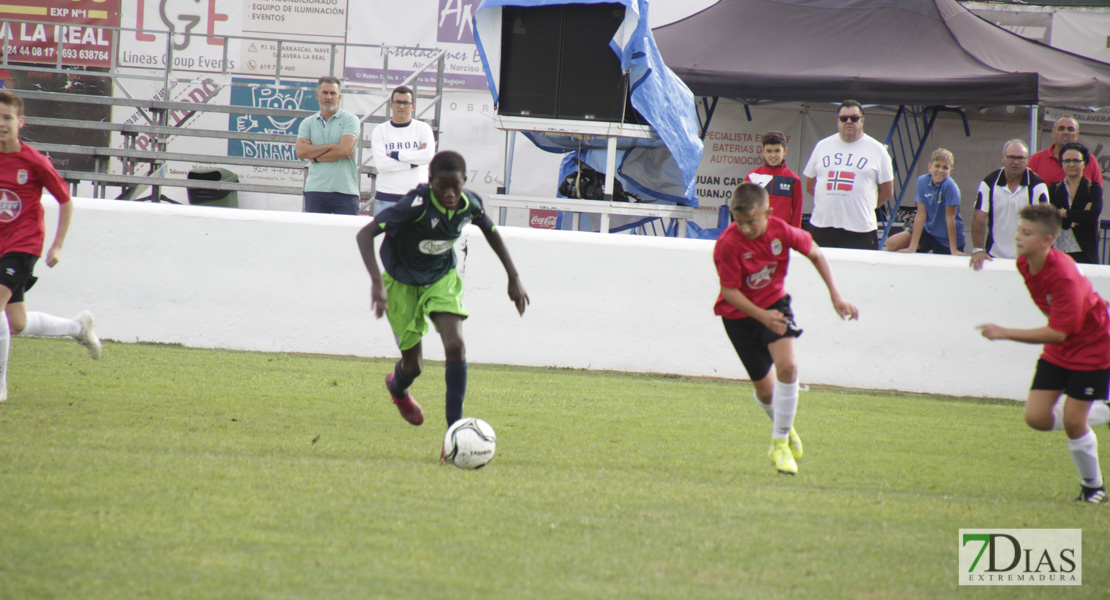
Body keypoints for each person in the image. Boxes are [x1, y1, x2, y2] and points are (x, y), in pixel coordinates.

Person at [355, 150, 528, 440]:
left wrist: (514, 277)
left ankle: (454, 434)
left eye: (455, 186)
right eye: (442, 187)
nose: (449, 194)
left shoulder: (470, 204)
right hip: (401, 282)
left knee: (456, 345)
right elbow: (364, 235)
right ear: (430, 181)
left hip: (441, 278)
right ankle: (398, 389)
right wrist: (377, 282)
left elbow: (491, 231)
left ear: (464, 181)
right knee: (414, 367)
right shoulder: (415, 205)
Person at [713, 181, 859, 475]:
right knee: (766, 394)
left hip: (775, 306)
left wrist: (836, 295)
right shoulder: (727, 244)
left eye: (751, 222)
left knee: (788, 367)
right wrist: (761, 317)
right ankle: (785, 426)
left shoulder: (782, 232)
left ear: (768, 211)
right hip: (738, 316)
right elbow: (729, 293)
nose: (744, 229)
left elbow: (815, 253)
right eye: (739, 222)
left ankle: (778, 443)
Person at [977, 204, 1110, 504]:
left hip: (1092, 347)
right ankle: (1103, 411)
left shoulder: (1062, 274)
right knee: (1036, 417)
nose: (1018, 238)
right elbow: (1060, 324)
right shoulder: (1024, 264)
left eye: (1027, 233)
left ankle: (1094, 488)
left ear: (1047, 240)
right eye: (1019, 230)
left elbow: (1059, 331)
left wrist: (1004, 332)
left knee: (1075, 423)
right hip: (1061, 348)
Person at [0, 91, 101, 402]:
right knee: (16, 323)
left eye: (7, 117)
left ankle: (0, 386)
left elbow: (66, 202)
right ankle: (77, 327)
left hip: (23, 245)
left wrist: (56, 246)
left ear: (21, 121)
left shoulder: (33, 162)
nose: (1, 124)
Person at [802, 100, 894, 250]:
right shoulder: (822, 146)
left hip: (860, 229)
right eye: (843, 119)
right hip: (822, 226)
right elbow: (810, 184)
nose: (849, 122)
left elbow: (887, 192)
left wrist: (862, 206)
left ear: (862, 121)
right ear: (838, 121)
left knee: (858, 273)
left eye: (854, 118)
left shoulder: (878, 150)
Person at [969, 140, 1050, 270]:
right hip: (993, 257)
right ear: (1003, 158)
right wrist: (978, 250)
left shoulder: (1038, 186)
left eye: (1020, 158)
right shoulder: (989, 182)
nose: (1015, 162)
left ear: (1027, 159)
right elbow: (979, 218)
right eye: (1011, 157)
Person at [296, 76, 360, 215]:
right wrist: (332, 146)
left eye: (333, 93)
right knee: (314, 237)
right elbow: (301, 152)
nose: (329, 97)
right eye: (325, 93)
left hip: (346, 191)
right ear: (317, 95)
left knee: (345, 237)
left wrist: (315, 156)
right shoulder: (307, 123)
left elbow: (344, 150)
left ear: (340, 97)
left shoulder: (351, 120)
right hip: (315, 190)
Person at [370, 86, 436, 217]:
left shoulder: (423, 128)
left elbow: (428, 156)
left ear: (412, 106)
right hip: (386, 198)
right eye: (398, 102)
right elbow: (382, 165)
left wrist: (396, 155)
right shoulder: (380, 130)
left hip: (417, 200)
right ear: (391, 105)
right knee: (385, 238)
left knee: (417, 238)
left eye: (406, 103)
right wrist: (414, 162)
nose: (401, 106)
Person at [884, 148, 965, 255]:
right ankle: (916, 247)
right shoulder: (922, 181)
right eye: (937, 166)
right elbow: (921, 215)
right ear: (929, 167)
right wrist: (912, 247)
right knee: (891, 244)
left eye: (945, 168)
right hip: (929, 231)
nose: (940, 170)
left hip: (946, 239)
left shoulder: (950, 187)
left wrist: (953, 250)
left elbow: (950, 218)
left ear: (950, 171)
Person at [1047, 142, 1102, 265]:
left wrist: (1063, 213)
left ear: (1084, 163)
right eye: (1067, 161)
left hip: (1084, 251)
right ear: (1061, 163)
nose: (1071, 164)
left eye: (1076, 161)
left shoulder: (1093, 188)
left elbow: (1092, 215)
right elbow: (1050, 216)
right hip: (1058, 250)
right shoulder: (1054, 188)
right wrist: (1079, 215)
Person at [744, 131, 803, 228]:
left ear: (785, 151)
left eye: (777, 151)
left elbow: (797, 210)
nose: (773, 155)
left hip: (782, 234)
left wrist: (794, 234)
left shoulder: (793, 179)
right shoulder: (752, 176)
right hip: (757, 233)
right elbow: (745, 206)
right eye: (769, 151)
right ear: (763, 151)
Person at [1028, 117, 1104, 187]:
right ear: (1053, 133)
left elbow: (1098, 189)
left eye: (1070, 129)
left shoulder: (1090, 160)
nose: (1065, 132)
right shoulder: (1037, 159)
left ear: (1077, 135)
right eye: (1061, 129)